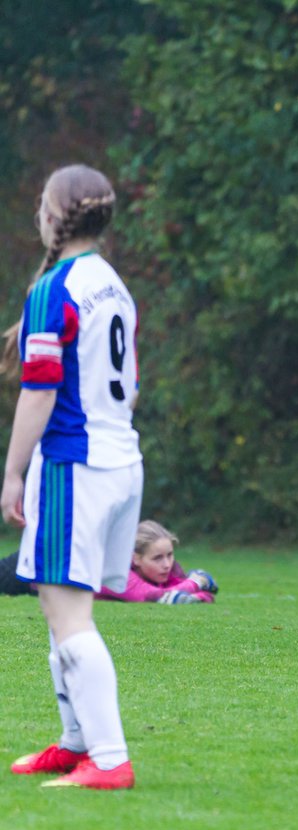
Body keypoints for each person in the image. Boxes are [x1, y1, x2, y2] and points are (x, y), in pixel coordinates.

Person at [3, 164, 140, 788]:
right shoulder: (113, 284)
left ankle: (109, 760)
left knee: (68, 615)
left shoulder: (55, 287)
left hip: (73, 464)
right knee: (61, 606)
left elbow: (38, 391)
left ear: (55, 216)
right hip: (120, 462)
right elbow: (129, 388)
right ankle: (76, 741)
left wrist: (13, 472)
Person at [95, 520, 217, 604]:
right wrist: (196, 582)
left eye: (169, 555)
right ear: (135, 558)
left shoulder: (168, 570)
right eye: (157, 558)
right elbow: (155, 596)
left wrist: (196, 595)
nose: (167, 564)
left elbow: (201, 595)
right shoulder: (118, 573)